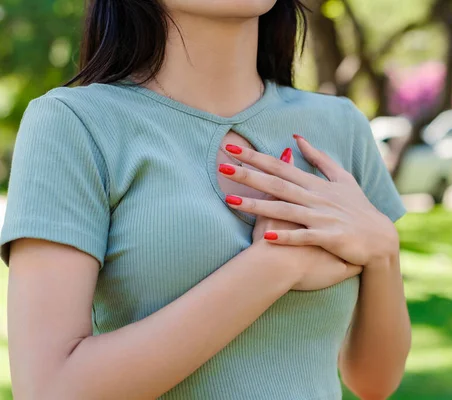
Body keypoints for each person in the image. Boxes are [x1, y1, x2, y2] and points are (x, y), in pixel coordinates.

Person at [1, 1, 411, 399]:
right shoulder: (74, 124)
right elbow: (48, 390)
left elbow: (374, 382)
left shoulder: (342, 126)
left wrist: (382, 251)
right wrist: (276, 264)